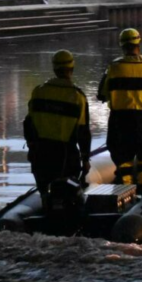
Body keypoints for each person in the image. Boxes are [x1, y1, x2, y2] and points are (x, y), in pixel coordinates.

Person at [97, 28, 142, 188]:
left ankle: (125, 186)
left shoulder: (114, 68)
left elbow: (102, 94)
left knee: (123, 158)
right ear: (138, 43)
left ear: (122, 45)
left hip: (120, 119)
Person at [24, 49, 91, 201]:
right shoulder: (78, 97)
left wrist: (31, 146)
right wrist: (85, 159)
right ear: (72, 69)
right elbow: (83, 132)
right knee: (68, 196)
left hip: (40, 153)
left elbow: (28, 123)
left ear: (54, 69)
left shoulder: (38, 92)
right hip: (65, 156)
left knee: (45, 195)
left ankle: (45, 204)